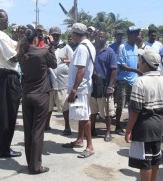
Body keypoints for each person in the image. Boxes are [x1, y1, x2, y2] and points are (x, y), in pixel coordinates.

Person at [125, 48, 163, 181]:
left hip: (144, 126)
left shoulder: (140, 81)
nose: (138, 63)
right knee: (155, 159)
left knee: (145, 161)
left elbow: (135, 110)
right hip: (158, 123)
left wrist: (128, 130)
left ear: (145, 63)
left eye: (140, 60)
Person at [18, 26, 57, 174]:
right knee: (38, 132)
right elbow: (54, 64)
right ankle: (35, 166)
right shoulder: (43, 51)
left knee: (29, 130)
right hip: (41, 95)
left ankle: (31, 163)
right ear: (36, 38)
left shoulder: (22, 53)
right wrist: (51, 46)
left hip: (27, 95)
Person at [0, 9, 22, 158]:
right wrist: (23, 44)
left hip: (2, 76)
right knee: (8, 115)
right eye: (5, 18)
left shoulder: (0, 36)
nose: (7, 20)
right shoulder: (0, 37)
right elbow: (14, 58)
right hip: (9, 77)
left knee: (1, 114)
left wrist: (19, 40)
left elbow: (14, 44)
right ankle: (4, 149)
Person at [62, 23, 96, 158]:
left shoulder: (82, 47)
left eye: (72, 34)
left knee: (84, 116)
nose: (71, 37)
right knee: (82, 115)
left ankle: (90, 146)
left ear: (76, 34)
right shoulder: (88, 45)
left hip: (80, 88)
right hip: (84, 87)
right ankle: (80, 140)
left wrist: (74, 90)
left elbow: (81, 70)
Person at [115, 26, 143, 136]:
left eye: (138, 34)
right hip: (123, 81)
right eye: (135, 34)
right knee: (120, 105)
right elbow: (121, 65)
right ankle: (117, 126)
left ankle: (131, 126)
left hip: (134, 81)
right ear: (129, 35)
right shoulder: (123, 47)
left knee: (132, 106)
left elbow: (135, 62)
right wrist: (136, 70)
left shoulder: (135, 47)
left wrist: (138, 70)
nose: (137, 36)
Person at [45, 26, 73, 135]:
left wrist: (65, 60)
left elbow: (73, 60)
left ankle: (67, 126)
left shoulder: (66, 47)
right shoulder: (46, 46)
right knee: (48, 105)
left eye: (57, 35)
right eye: (53, 35)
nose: (55, 37)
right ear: (49, 36)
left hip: (63, 81)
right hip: (49, 81)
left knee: (64, 106)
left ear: (60, 36)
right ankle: (46, 125)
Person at [90, 30, 117, 141]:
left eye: (102, 37)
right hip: (93, 84)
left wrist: (110, 87)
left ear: (106, 38)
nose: (99, 38)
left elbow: (114, 70)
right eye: (98, 36)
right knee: (92, 110)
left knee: (106, 111)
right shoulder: (92, 50)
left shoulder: (110, 52)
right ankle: (92, 130)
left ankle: (108, 132)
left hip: (105, 84)